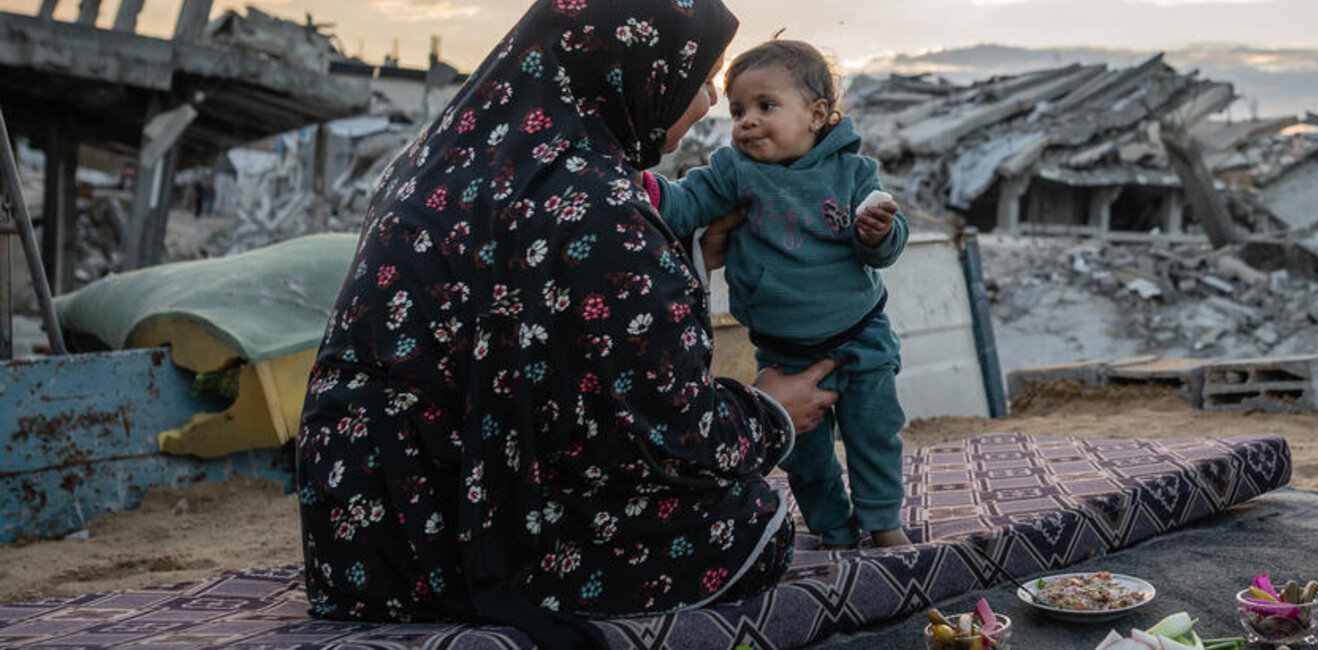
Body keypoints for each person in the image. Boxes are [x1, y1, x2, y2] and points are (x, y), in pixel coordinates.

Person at [293, 1, 840, 648]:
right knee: (755, 518)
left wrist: (689, 254)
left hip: (356, 537)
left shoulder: (435, 158)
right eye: (699, 77)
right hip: (457, 544)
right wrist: (772, 414)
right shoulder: (596, 200)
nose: (707, 103)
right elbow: (662, 430)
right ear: (637, 69)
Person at [654, 39, 912, 549]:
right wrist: (632, 186)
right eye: (737, 110)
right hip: (783, 352)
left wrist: (878, 233)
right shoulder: (733, 170)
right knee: (804, 452)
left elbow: (882, 251)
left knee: (874, 435)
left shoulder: (853, 173)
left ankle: (884, 524)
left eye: (765, 106)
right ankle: (832, 529)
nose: (746, 121)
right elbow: (683, 208)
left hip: (859, 337)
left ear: (817, 115)